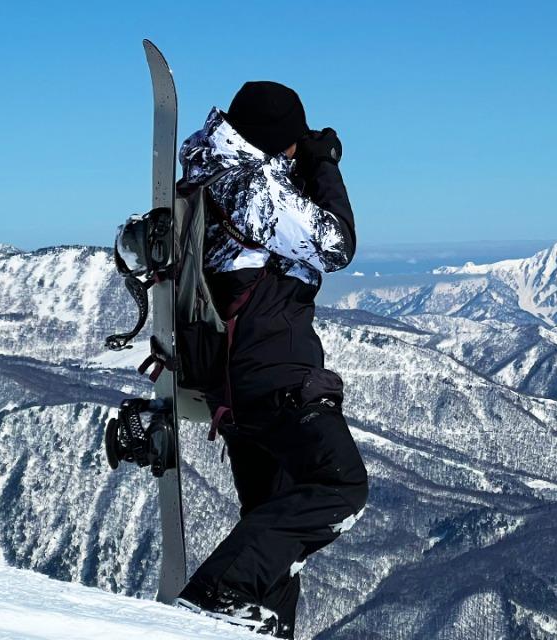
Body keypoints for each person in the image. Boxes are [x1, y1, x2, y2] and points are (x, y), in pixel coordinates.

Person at [173, 81, 368, 639]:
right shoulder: (249, 185)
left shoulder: (214, 174)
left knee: (275, 524)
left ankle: (260, 624)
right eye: (291, 143)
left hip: (237, 381)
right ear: (276, 141)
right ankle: (218, 592)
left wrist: (300, 166)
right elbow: (335, 244)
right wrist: (326, 166)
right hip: (273, 376)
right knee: (340, 486)